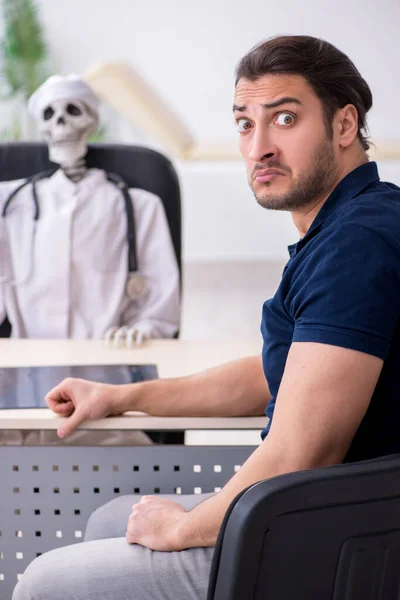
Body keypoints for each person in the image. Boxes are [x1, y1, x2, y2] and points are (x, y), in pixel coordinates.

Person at [12, 34, 400, 600]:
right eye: (245, 124)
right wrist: (122, 397)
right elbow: (276, 375)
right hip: (327, 511)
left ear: (345, 126)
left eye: (285, 118)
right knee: (108, 523)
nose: (258, 147)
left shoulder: (357, 244)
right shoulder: (351, 225)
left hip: (338, 536)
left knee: (44, 583)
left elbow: (302, 452)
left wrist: (183, 528)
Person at [0, 75, 180, 346]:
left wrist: (145, 329)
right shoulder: (9, 202)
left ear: (92, 122)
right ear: (43, 128)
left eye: (73, 111)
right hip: (31, 357)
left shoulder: (140, 206)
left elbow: (161, 307)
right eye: (50, 114)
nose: (61, 123)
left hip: (107, 355)